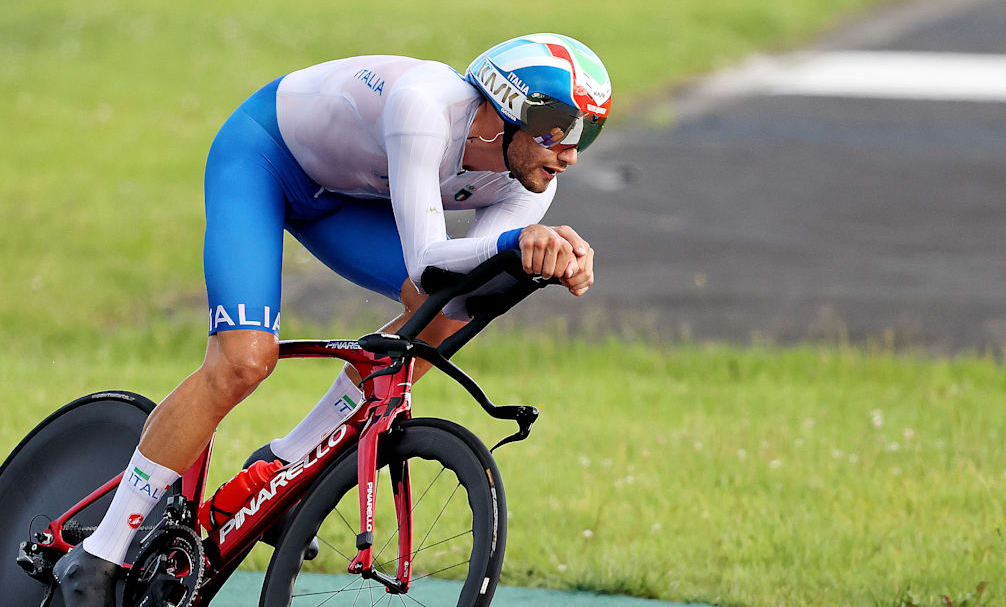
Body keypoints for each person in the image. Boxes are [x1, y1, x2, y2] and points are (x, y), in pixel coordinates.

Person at [52, 33, 612, 605]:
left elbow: (458, 283)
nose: (570, 152)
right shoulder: (427, 106)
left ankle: (282, 466)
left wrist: (543, 262)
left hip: (343, 198)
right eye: (559, 129)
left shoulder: (532, 179)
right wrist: (521, 242)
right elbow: (425, 262)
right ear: (505, 107)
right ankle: (97, 553)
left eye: (586, 134)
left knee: (445, 313)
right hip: (264, 158)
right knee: (244, 362)